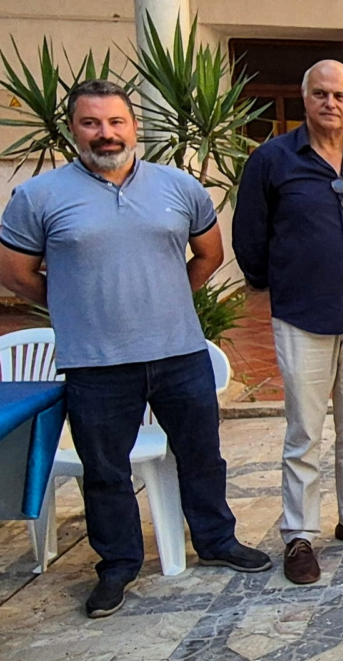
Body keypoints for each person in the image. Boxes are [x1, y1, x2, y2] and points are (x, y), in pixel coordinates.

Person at [0, 80, 270, 618]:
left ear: (134, 126)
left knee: (201, 456)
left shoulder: (178, 186)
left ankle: (217, 540)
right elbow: (14, 272)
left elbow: (208, 254)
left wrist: (167, 299)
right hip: (95, 363)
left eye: (115, 122)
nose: (105, 134)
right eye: (91, 123)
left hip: (179, 353)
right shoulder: (40, 196)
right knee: (105, 470)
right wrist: (74, 304)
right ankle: (117, 565)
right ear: (72, 130)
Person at [233, 60, 343, 585]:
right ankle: (299, 535)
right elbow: (249, 238)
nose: (331, 103)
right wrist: (282, 281)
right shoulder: (271, 159)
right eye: (321, 94)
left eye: (340, 96)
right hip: (303, 316)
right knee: (304, 429)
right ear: (305, 99)